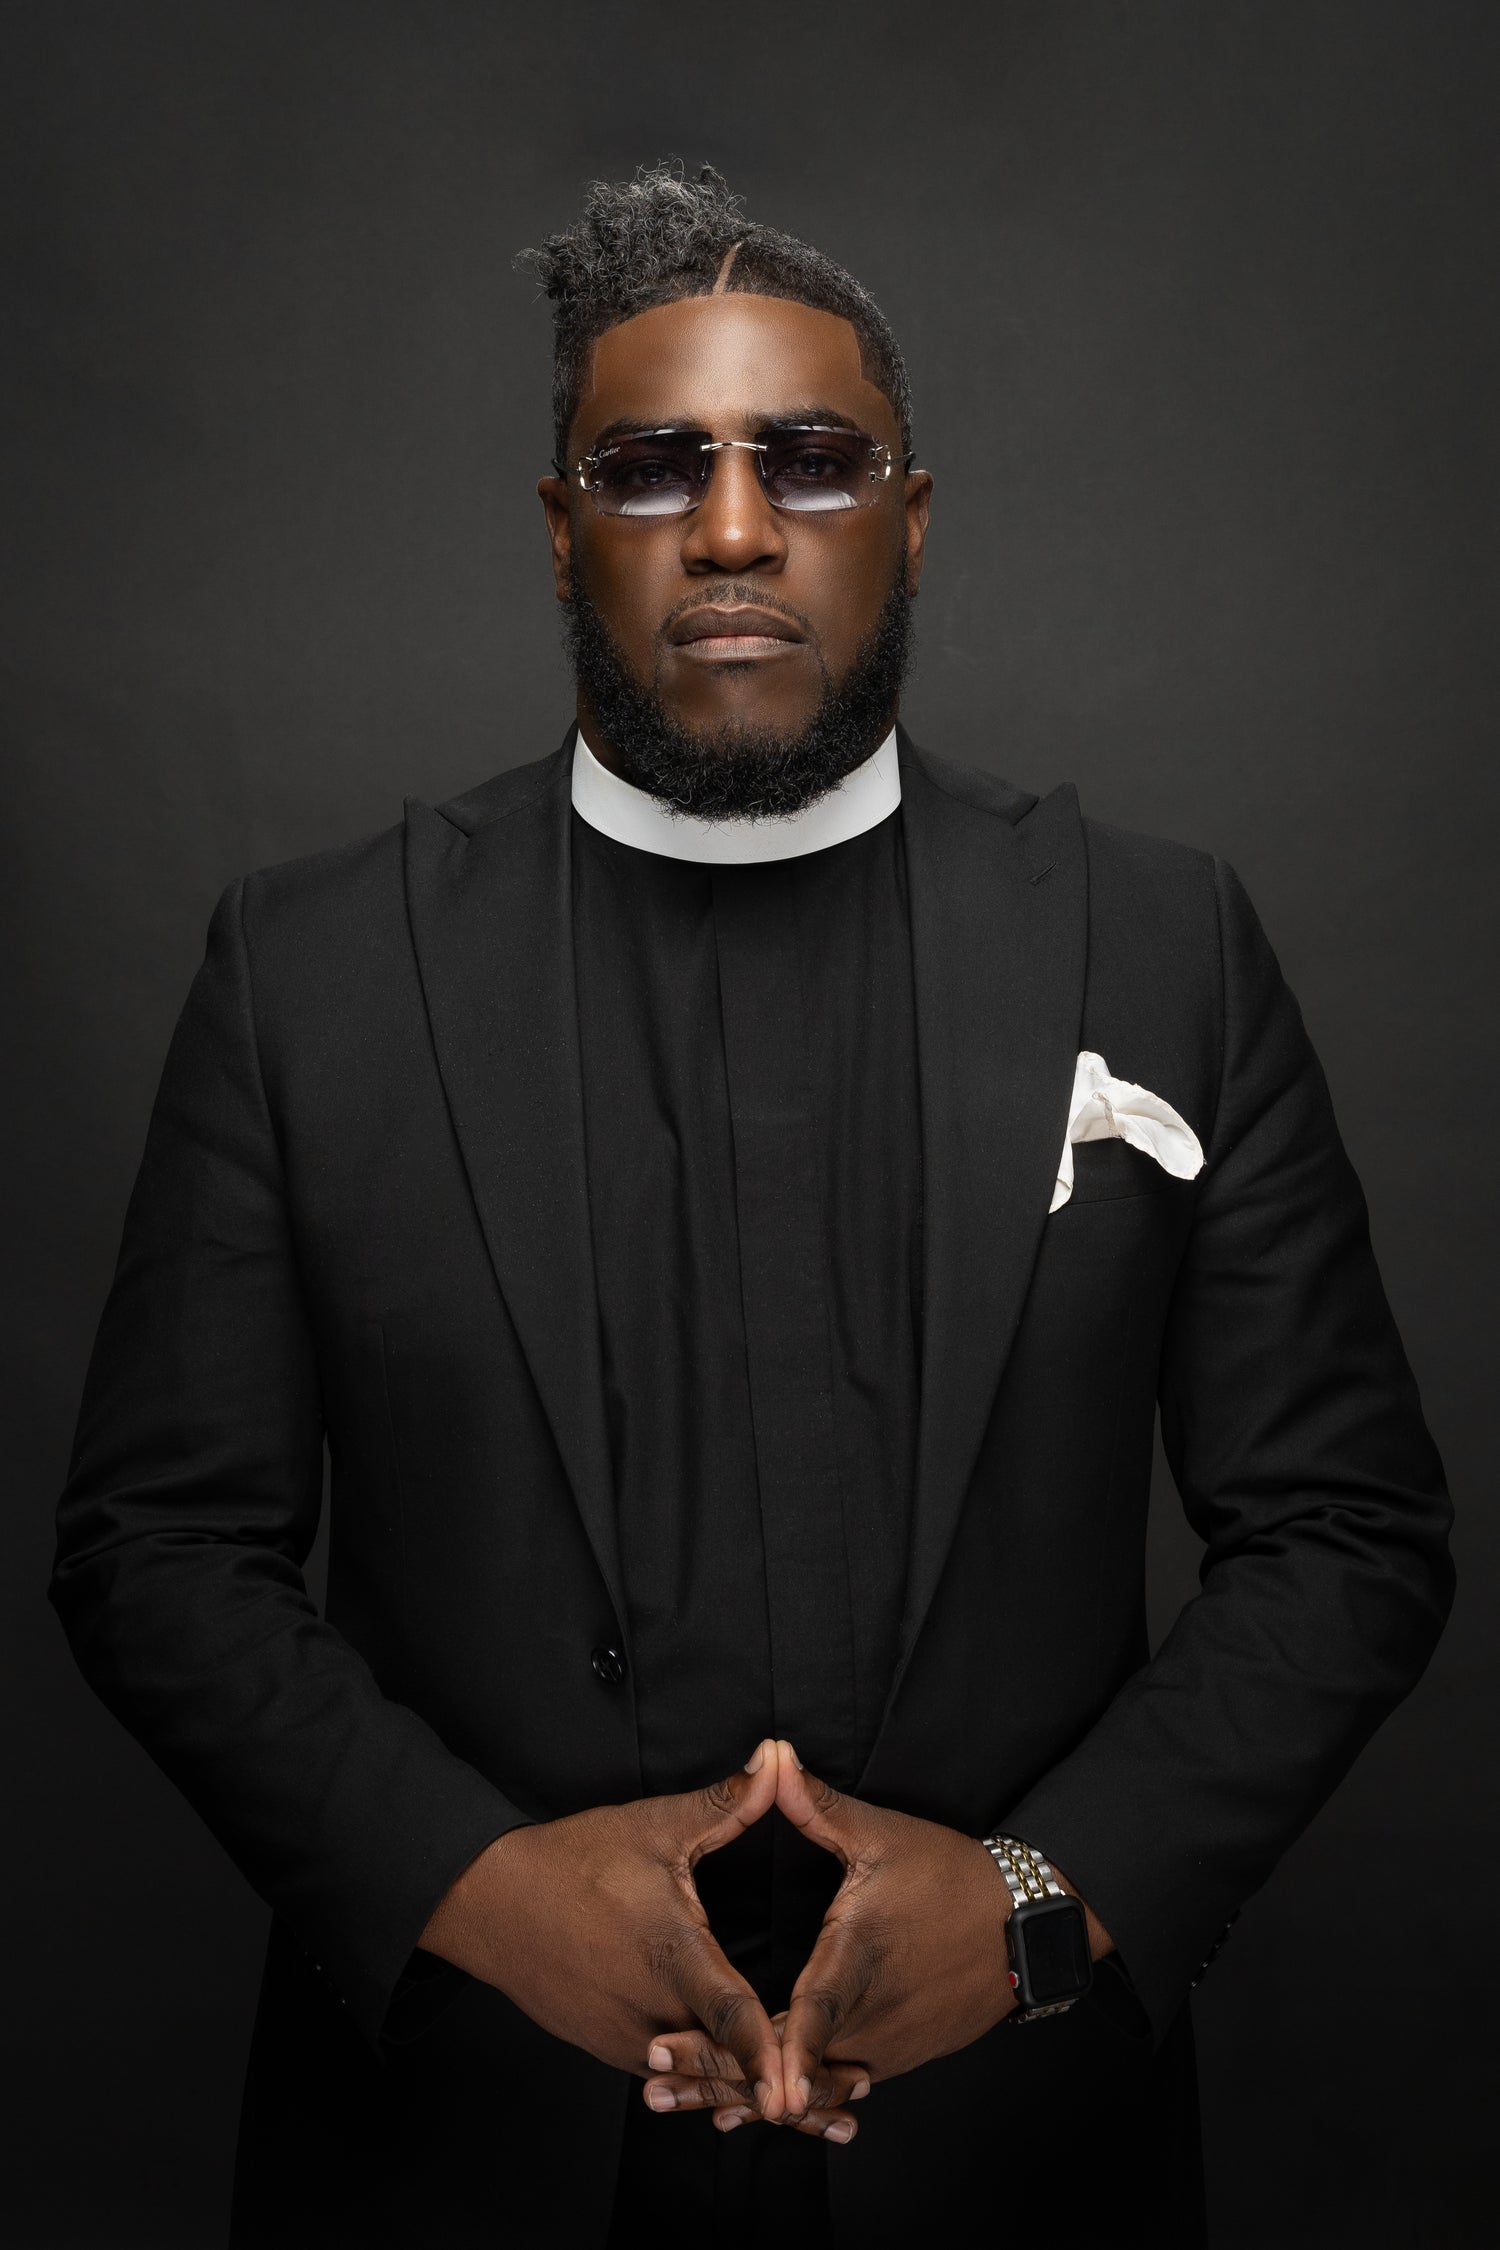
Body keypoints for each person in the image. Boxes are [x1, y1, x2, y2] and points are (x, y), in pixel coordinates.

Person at [51, 162, 1453, 2249]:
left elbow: (1347, 1532)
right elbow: (159, 1549)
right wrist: (477, 1891)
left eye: (808, 460)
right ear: (560, 529)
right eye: (651, 466)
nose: (730, 528)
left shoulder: (1164, 945)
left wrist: (1043, 1903)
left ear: (911, 515)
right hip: (463, 2154)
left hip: (1015, 2159)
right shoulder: (309, 970)